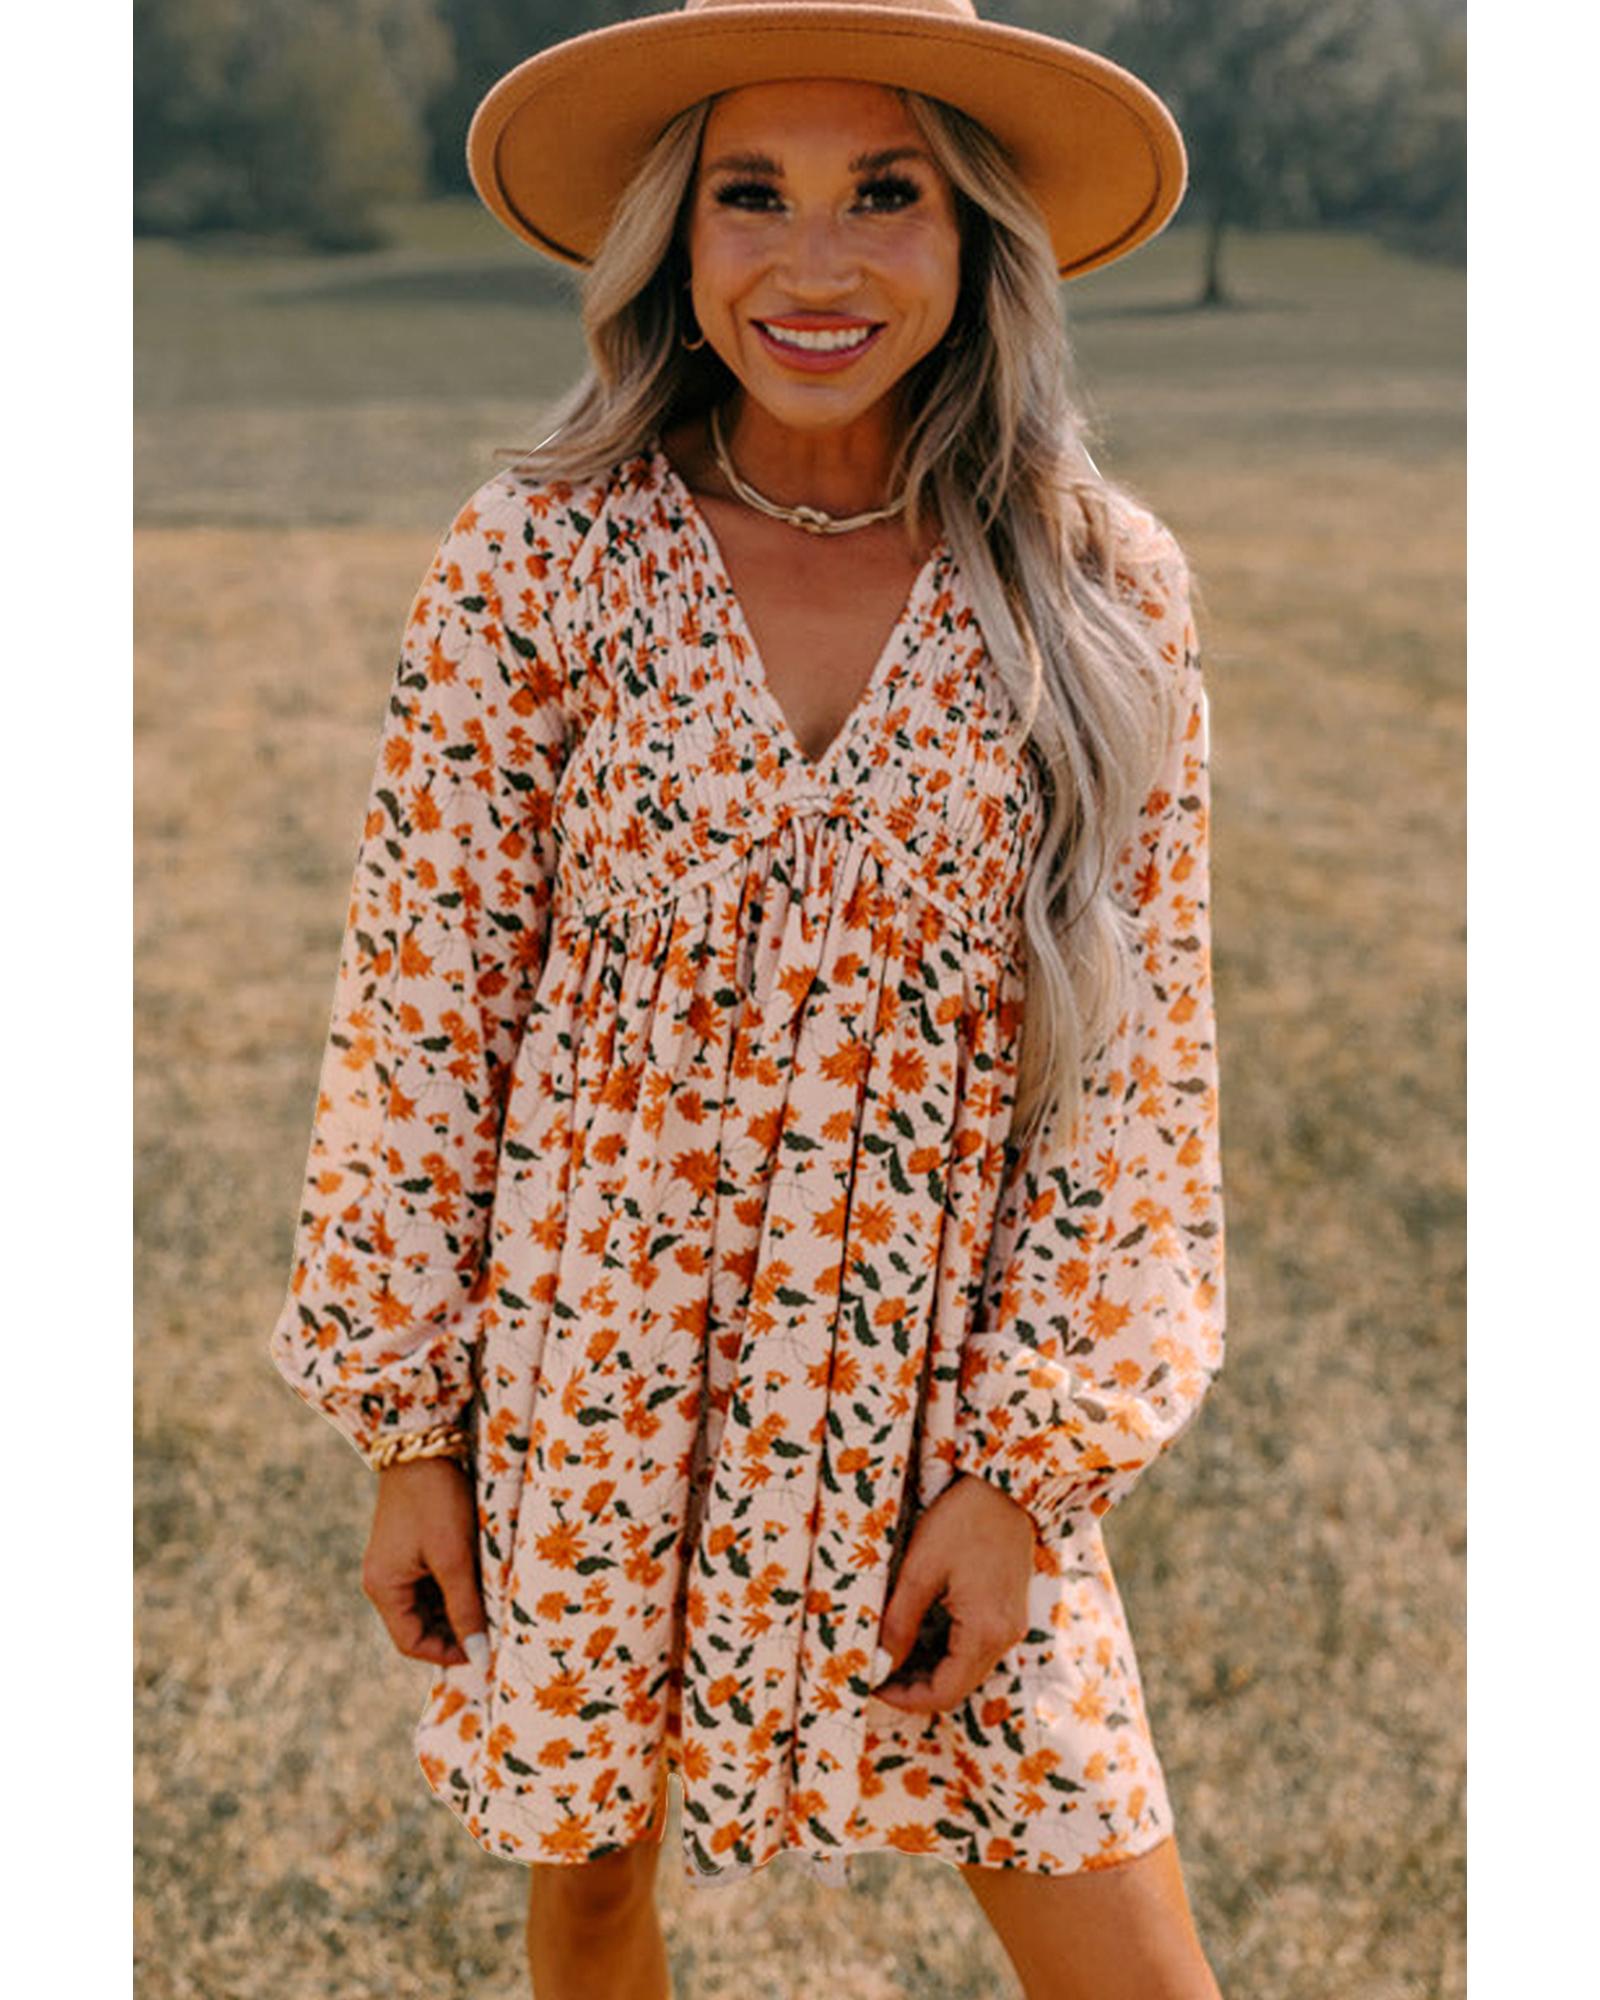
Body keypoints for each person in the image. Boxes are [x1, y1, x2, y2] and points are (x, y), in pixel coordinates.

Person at [267, 3, 1229, 1995]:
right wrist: (409, 1431)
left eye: (885, 193)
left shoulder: (1095, 581)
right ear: (672, 235)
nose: (816, 263)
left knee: (1119, 1938)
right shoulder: (541, 559)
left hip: (932, 1385)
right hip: (590, 1359)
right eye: (751, 195)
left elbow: (1132, 1074)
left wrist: (1019, 1471)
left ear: (972, 235)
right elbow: (422, 1007)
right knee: (588, 1878)